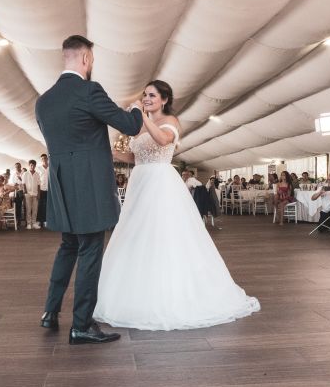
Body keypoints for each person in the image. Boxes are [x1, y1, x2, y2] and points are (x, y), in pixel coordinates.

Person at [94, 79, 259, 331]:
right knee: (137, 235)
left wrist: (139, 113)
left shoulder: (170, 122)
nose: (147, 98)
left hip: (160, 183)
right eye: (145, 95)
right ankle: (137, 293)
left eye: (152, 95)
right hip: (139, 181)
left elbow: (161, 141)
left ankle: (170, 294)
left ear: (164, 99)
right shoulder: (140, 125)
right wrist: (114, 153)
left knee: (164, 235)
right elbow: (136, 155)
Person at [36, 34, 143, 344]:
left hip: (61, 186)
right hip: (88, 185)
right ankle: (81, 324)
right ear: (85, 59)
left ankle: (50, 312)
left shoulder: (44, 101)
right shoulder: (88, 91)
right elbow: (130, 126)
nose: (91, 64)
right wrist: (135, 108)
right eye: (92, 59)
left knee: (68, 246)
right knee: (91, 250)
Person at [22, 160, 42, 229]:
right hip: (28, 193)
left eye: (33, 165)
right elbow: (23, 183)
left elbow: (39, 184)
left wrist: (39, 193)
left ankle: (34, 223)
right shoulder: (25, 173)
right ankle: (28, 224)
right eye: (31, 165)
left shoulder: (37, 174)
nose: (32, 166)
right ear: (29, 165)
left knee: (35, 209)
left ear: (35, 166)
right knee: (28, 209)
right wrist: (25, 192)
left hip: (35, 193)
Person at [37, 154, 49, 228]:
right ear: (41, 160)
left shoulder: (50, 167)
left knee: (48, 206)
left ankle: (47, 220)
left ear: (47, 158)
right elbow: (37, 180)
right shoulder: (39, 168)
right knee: (40, 205)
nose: (44, 159)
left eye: (45, 158)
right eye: (42, 158)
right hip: (41, 189)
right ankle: (40, 221)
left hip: (49, 189)